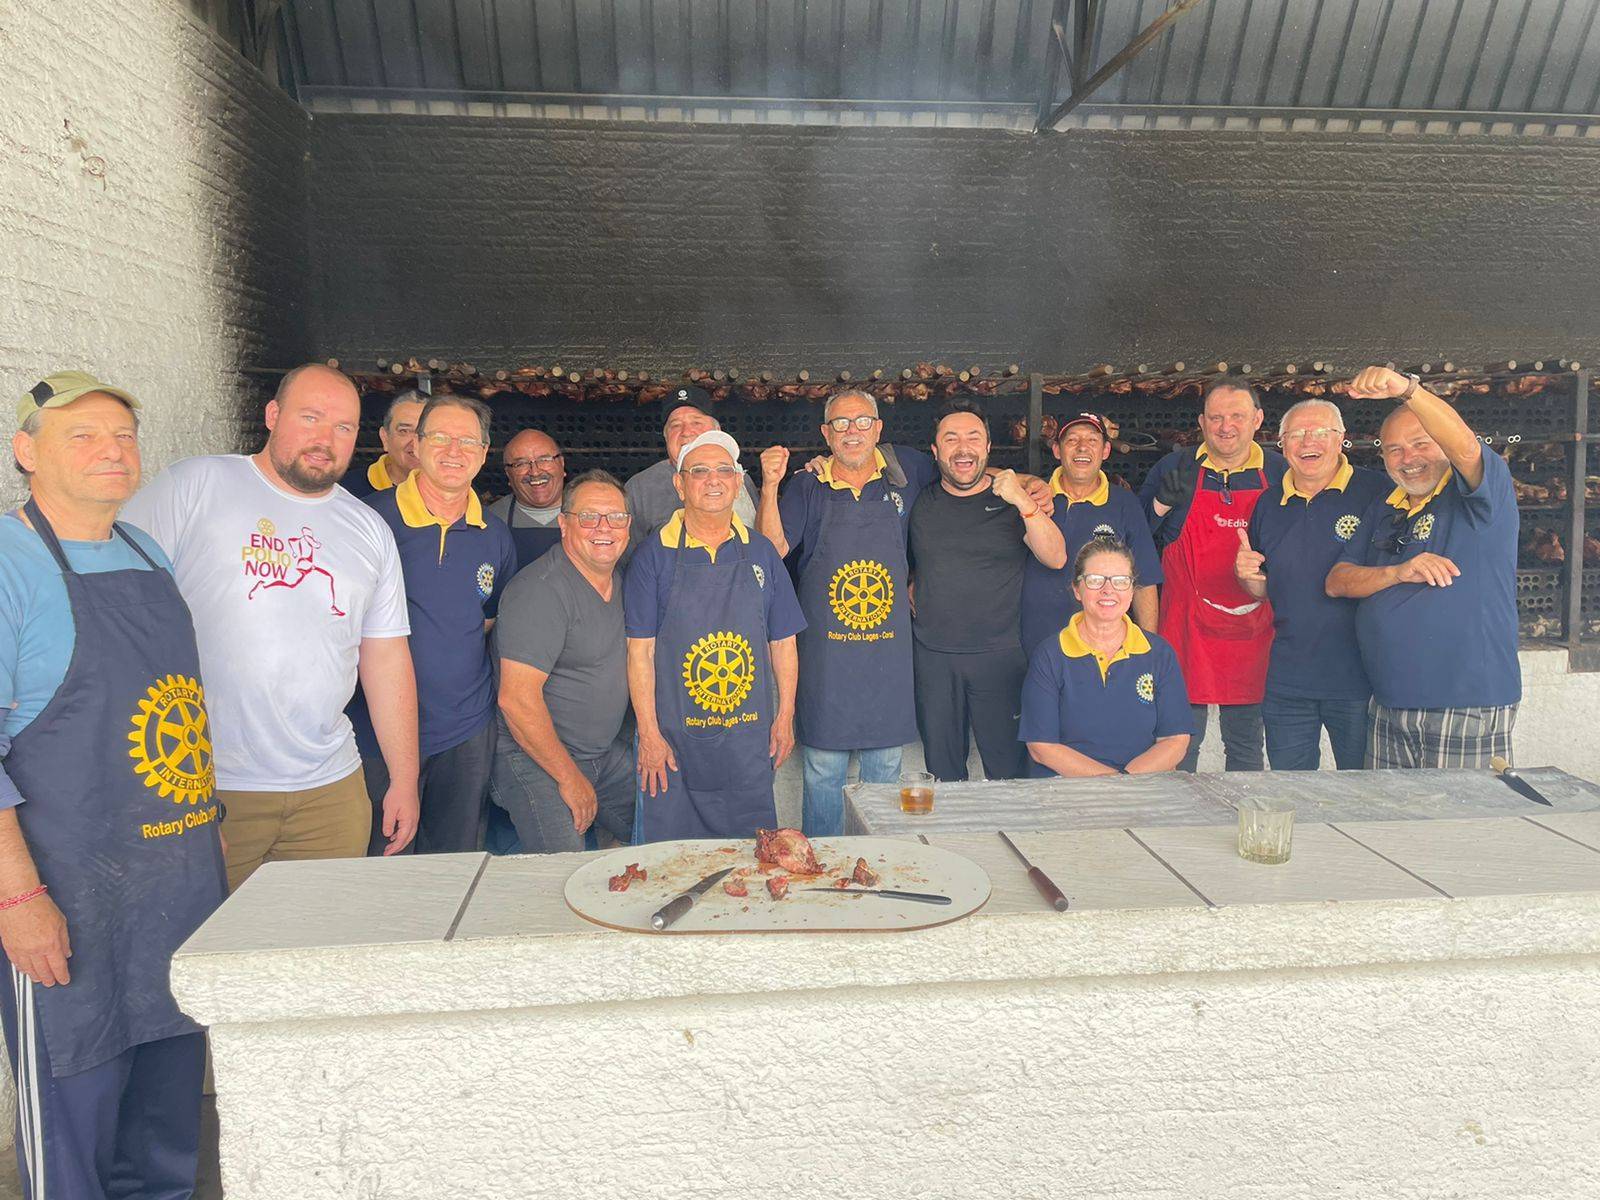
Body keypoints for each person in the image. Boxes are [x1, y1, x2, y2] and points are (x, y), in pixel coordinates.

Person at [0, 372, 226, 1198]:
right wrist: (17, 901)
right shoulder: (9, 563)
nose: (111, 451)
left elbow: (182, 716)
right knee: (76, 1125)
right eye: (83, 436)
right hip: (67, 900)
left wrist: (210, 831)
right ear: (27, 453)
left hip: (176, 883)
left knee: (167, 1120)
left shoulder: (146, 552)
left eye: (123, 436)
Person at [122, 363, 420, 888]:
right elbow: (117, 605)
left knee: (315, 949)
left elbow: (386, 659)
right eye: (310, 417)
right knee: (202, 952)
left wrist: (405, 777)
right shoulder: (198, 485)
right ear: (273, 415)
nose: (325, 439)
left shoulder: (368, 529)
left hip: (331, 789)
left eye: (343, 427)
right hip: (209, 785)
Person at [755, 389, 939, 836]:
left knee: (884, 769)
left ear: (879, 428)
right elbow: (771, 549)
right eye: (840, 423)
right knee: (822, 770)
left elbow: (963, 471)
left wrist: (1026, 484)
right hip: (826, 660)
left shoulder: (907, 472)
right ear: (826, 434)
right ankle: (822, 873)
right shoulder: (806, 486)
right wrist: (770, 485)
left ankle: (877, 863)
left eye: (861, 422)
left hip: (887, 659)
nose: (852, 431)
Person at [1326, 365, 1520, 768]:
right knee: (1394, 829)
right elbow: (1338, 581)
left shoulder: (1481, 496)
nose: (1408, 458)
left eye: (1421, 443)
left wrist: (1406, 390)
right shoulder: (1385, 507)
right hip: (1389, 703)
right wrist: (1398, 571)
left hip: (1463, 703)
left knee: (1459, 827)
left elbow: (1466, 447)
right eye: (1394, 449)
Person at [351, 393, 517, 854]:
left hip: (465, 730)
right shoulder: (368, 520)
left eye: (468, 441)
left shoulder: (495, 535)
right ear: (417, 446)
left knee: (452, 864)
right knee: (381, 863)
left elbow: (486, 619)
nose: (453, 451)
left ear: (484, 454)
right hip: (375, 731)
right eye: (440, 437)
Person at [625, 430, 804, 840]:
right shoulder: (653, 556)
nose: (713, 480)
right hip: (674, 745)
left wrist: (785, 716)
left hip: (747, 741)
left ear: (739, 482)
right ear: (679, 483)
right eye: (700, 471)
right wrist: (649, 735)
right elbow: (640, 653)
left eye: (725, 470)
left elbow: (783, 642)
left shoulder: (761, 552)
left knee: (751, 862)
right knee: (672, 863)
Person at [908, 399, 1067, 782]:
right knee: (943, 776)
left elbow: (1057, 557)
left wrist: (1022, 495)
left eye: (972, 438)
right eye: (951, 439)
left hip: (1000, 657)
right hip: (934, 658)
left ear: (988, 447)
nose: (963, 448)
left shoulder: (1013, 501)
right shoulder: (918, 498)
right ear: (935, 451)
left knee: (1008, 773)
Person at [1235, 399, 1390, 770]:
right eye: (1298, 434)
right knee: (1291, 790)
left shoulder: (1378, 493)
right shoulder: (1268, 504)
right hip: (1289, 679)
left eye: (1321, 432)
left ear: (1340, 440)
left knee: (1364, 793)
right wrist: (1246, 578)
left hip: (1361, 678)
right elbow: (1265, 588)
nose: (1309, 442)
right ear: (1282, 444)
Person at [1143, 379, 1288, 772]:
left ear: (1257, 420)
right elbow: (1136, 540)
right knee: (1179, 744)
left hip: (1256, 630)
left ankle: (1244, 824)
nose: (1227, 427)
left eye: (1237, 416)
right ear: (1202, 422)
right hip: (1186, 626)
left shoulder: (1279, 472)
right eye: (1217, 418)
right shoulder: (1175, 467)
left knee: (1245, 746)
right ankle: (1177, 828)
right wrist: (1159, 506)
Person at [492, 471, 636, 852]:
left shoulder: (619, 579)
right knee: (564, 871)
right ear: (564, 523)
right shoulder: (540, 591)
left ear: (628, 525)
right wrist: (569, 778)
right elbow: (516, 700)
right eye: (589, 517)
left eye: (615, 517)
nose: (603, 528)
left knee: (661, 828)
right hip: (535, 759)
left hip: (600, 754)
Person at [1020, 537, 1192, 776]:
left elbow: (1175, 740)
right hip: (1065, 793)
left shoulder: (1159, 654)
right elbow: (1042, 747)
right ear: (1077, 589)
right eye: (1095, 580)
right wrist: (1112, 784)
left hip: (1139, 788)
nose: (1108, 590)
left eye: (1121, 581)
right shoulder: (1050, 655)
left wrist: (1126, 785)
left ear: (1132, 590)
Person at [1021, 412, 1162, 658]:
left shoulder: (1124, 504)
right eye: (1072, 440)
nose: (1082, 447)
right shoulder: (1034, 497)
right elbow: (981, 477)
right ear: (1056, 450)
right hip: (1036, 644)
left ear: (1106, 450)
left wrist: (1148, 652)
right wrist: (1023, 481)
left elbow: (1144, 581)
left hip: (1102, 649)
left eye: (1092, 441)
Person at [625, 386, 758, 539]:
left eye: (696, 422)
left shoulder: (738, 477)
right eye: (675, 425)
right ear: (666, 436)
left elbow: (759, 542)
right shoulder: (639, 488)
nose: (686, 432)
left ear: (717, 430)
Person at [488, 427, 566, 571]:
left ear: (561, 464)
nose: (535, 472)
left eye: (544, 459)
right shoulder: (490, 521)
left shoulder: (592, 514)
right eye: (521, 464)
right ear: (508, 475)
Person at [342, 389, 424, 498]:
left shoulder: (452, 490)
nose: (415, 442)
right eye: (404, 431)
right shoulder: (348, 492)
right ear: (385, 437)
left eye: (424, 431)